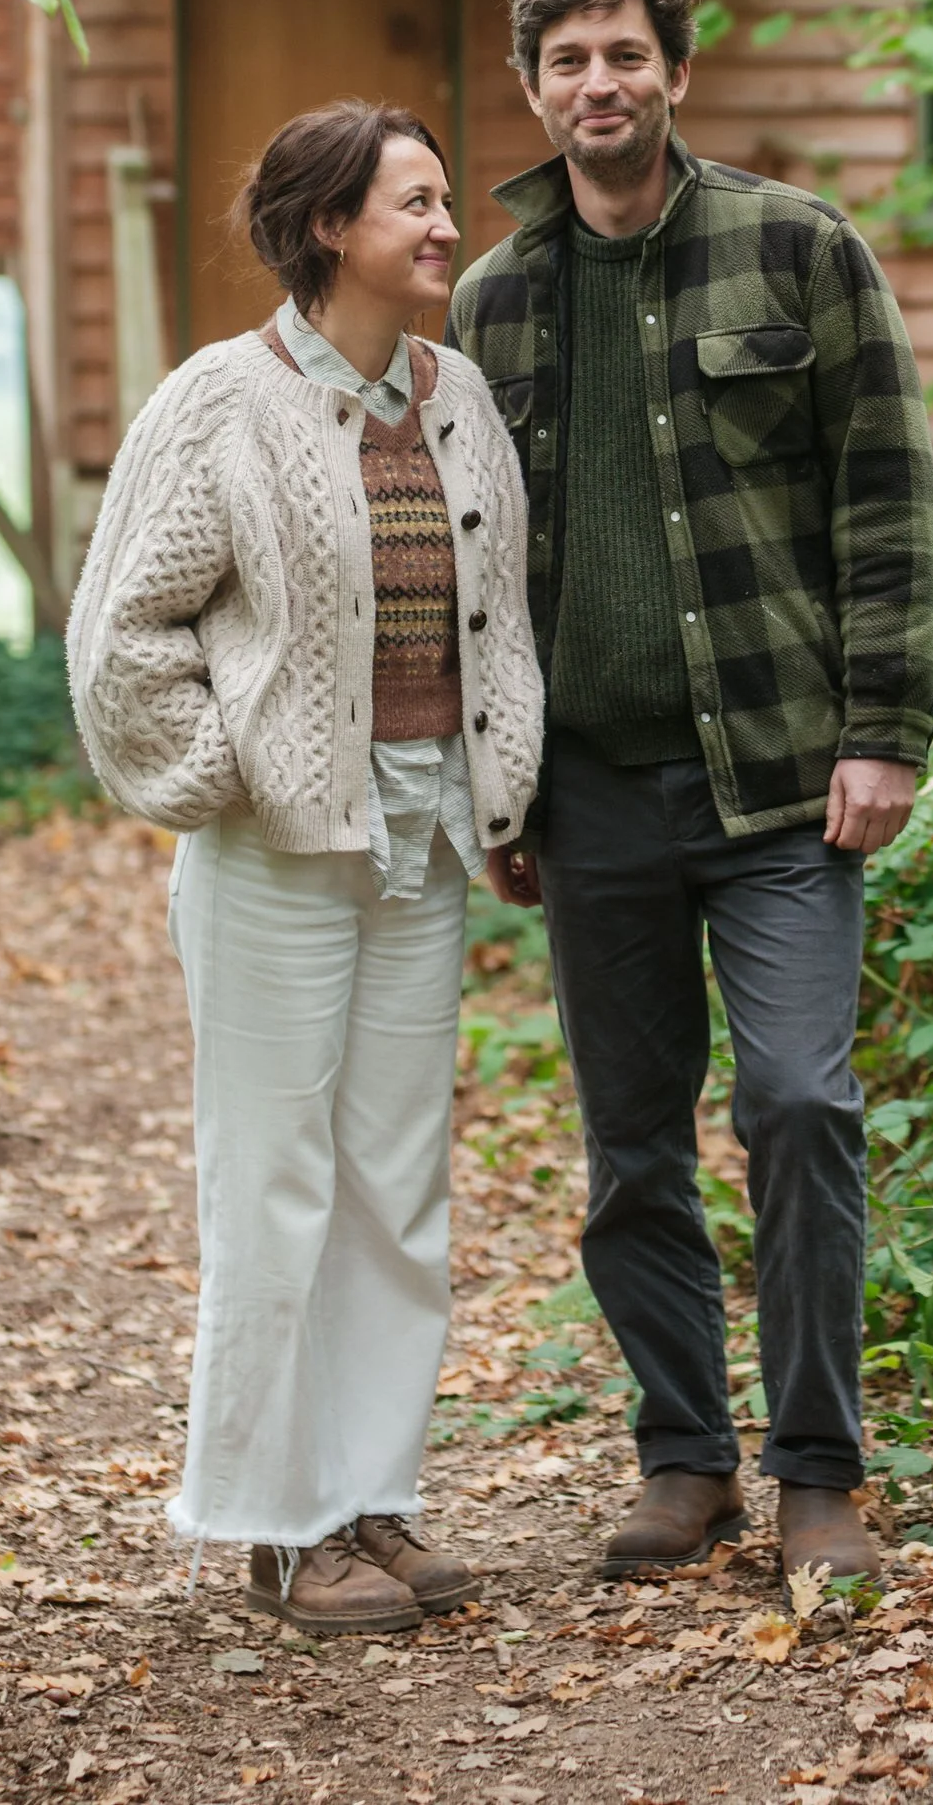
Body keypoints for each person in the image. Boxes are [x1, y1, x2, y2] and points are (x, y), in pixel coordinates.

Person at [449, 0, 933, 1590]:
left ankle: (818, 1473)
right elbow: (473, 569)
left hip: (784, 782)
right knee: (630, 1146)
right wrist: (497, 785)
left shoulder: (799, 251)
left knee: (801, 1104)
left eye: (626, 55)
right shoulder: (492, 299)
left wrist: (887, 731)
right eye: (569, 62)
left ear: (676, 70)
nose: (602, 84)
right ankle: (685, 1461)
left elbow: (886, 508)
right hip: (590, 794)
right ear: (533, 90)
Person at [67, 101, 544, 1638]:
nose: (445, 225)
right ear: (331, 226)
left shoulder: (457, 393)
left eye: (445, 200)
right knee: (273, 1183)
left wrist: (505, 788)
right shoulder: (221, 401)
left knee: (396, 1190)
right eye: (413, 203)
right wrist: (228, 778)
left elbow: (501, 623)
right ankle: (273, 1528)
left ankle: (369, 1498)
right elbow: (120, 636)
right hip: (277, 851)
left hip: (422, 834)